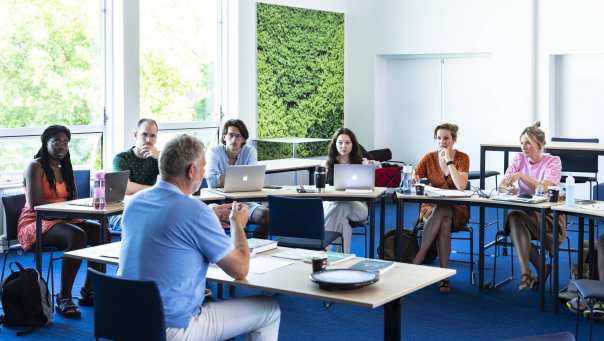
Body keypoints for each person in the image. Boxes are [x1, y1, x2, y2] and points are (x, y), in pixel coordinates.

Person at [118, 134, 280, 341]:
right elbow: (240, 269)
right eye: (203, 167)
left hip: (126, 322)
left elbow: (169, 234)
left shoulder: (135, 202)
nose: (203, 173)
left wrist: (208, 217)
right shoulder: (194, 210)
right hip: (172, 330)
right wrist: (237, 225)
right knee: (269, 309)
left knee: (210, 299)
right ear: (191, 171)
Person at [17, 125, 107, 318]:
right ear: (45, 143)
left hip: (62, 218)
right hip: (35, 221)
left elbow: (71, 200)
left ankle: (88, 291)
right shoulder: (35, 166)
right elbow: (35, 204)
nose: (62, 146)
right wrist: (66, 214)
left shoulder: (65, 166)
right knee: (77, 235)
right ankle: (64, 297)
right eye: (56, 141)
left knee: (102, 233)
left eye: (66, 142)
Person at [499, 121, 566, 290]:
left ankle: (534, 271)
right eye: (522, 143)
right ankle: (526, 273)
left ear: (540, 144)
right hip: (524, 213)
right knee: (515, 217)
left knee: (515, 219)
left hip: (549, 217)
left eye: (528, 142)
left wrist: (521, 176)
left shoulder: (553, 161)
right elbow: (503, 184)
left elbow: (544, 189)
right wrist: (509, 188)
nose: (524, 147)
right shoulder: (518, 159)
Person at [412, 123, 470, 293]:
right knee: (444, 221)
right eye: (439, 138)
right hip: (431, 207)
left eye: (446, 138)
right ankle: (444, 276)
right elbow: (415, 176)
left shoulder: (462, 158)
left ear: (454, 140)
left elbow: (460, 186)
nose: (442, 142)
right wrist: (415, 179)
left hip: (457, 208)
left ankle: (419, 258)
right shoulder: (429, 157)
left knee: (445, 210)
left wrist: (449, 162)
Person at [205, 119, 269, 238]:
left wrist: (224, 179)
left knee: (267, 215)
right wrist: (240, 178)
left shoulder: (250, 151)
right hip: (219, 203)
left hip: (245, 202)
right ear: (224, 137)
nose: (234, 139)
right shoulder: (214, 152)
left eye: (238, 136)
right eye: (230, 135)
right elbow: (212, 181)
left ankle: (252, 245)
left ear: (244, 139)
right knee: (213, 218)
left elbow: (253, 179)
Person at [109, 118, 161, 232]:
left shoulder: (159, 158)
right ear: (136, 135)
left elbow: (172, 184)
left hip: (149, 210)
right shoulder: (121, 158)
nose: (148, 140)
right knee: (144, 225)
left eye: (153, 136)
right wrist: (156, 189)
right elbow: (126, 188)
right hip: (121, 213)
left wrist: (160, 159)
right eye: (144, 135)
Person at [324, 128, 370, 253]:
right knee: (343, 219)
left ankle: (324, 249)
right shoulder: (328, 164)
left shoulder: (362, 164)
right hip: (334, 205)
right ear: (335, 144)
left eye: (347, 142)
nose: (343, 146)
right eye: (340, 142)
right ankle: (344, 257)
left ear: (353, 144)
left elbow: (369, 191)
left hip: (358, 207)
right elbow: (323, 190)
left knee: (340, 207)